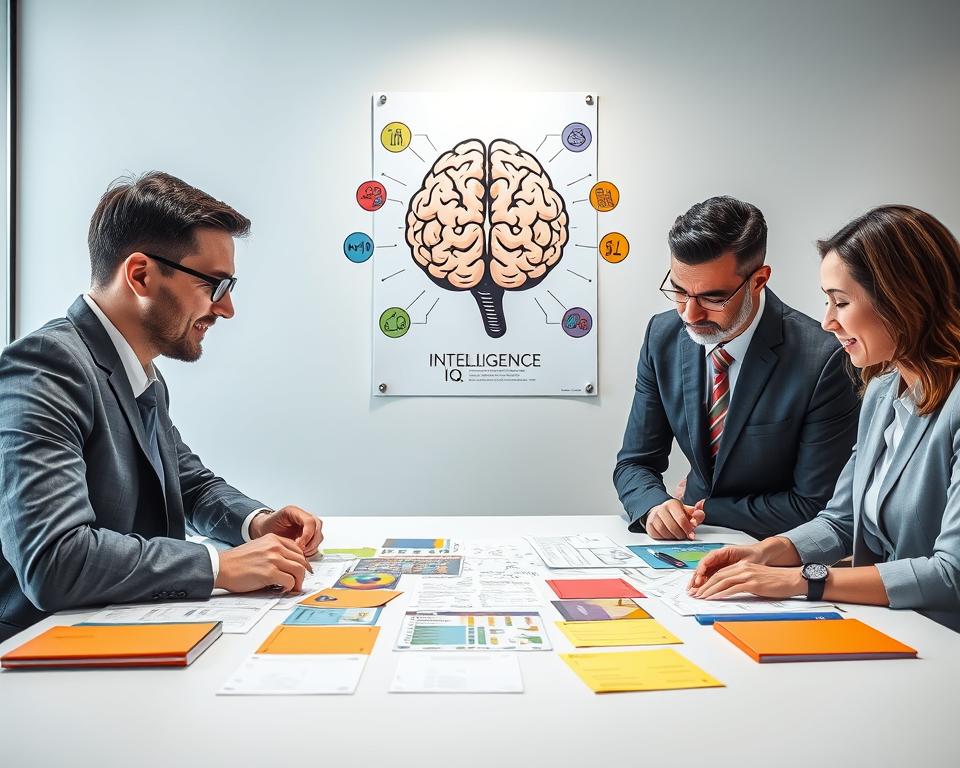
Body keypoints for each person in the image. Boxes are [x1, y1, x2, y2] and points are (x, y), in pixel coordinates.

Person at [0, 172, 322, 642]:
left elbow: (190, 485)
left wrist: (256, 523)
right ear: (140, 274)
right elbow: (56, 560)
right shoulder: (45, 369)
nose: (227, 308)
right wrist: (218, 566)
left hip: (125, 633)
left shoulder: (136, 370)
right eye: (214, 285)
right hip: (40, 655)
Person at [690, 205, 960, 632]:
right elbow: (840, 520)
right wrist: (767, 552)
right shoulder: (882, 392)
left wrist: (801, 580)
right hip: (893, 629)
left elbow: (951, 574)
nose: (827, 321)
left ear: (904, 301)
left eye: (841, 302)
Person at [614, 196, 860, 540]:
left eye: (714, 298)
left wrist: (699, 505)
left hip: (777, 553)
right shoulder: (662, 336)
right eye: (679, 291)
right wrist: (655, 506)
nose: (689, 314)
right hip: (690, 544)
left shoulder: (824, 359)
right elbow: (634, 462)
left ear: (758, 280)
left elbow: (815, 505)